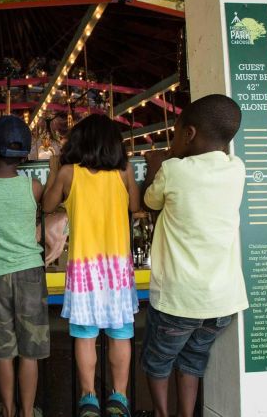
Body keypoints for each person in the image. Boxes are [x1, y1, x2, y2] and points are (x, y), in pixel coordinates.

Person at [141, 94, 249, 417]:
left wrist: (154, 165)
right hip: (222, 303)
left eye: (174, 133)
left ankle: (162, 413)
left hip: (178, 298)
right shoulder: (237, 169)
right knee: (193, 360)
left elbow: (150, 201)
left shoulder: (173, 170)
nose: (172, 140)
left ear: (189, 134)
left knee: (158, 361)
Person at [42, 114, 140, 417]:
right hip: (117, 268)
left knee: (85, 335)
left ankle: (88, 398)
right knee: (120, 333)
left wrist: (54, 170)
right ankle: (119, 397)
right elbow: (135, 206)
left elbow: (46, 206)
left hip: (84, 268)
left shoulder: (69, 173)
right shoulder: (122, 172)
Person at [0, 115, 50, 417]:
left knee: (3, 351)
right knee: (30, 352)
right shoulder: (34, 188)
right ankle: (28, 412)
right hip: (30, 272)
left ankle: (8, 409)